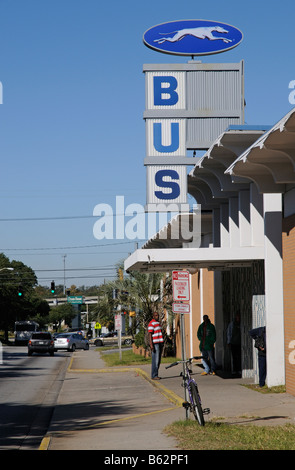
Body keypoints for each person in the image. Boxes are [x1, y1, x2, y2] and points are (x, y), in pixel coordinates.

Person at [148, 311, 164, 380]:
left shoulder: (158, 323)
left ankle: (156, 374)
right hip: (155, 344)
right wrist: (151, 345)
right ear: (153, 316)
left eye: (158, 315)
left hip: (160, 343)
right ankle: (154, 375)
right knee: (155, 360)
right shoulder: (151, 323)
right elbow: (150, 335)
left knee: (158, 360)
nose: (157, 316)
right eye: (156, 315)